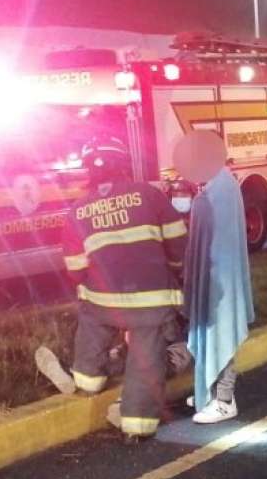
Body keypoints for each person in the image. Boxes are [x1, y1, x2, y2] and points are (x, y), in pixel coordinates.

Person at [60, 136, 187, 443]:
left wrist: (88, 284)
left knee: (91, 322)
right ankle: (137, 424)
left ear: (89, 170)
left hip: (103, 302)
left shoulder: (78, 210)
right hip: (151, 300)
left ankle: (87, 378)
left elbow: (75, 266)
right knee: (147, 353)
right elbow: (177, 242)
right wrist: (174, 270)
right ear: (123, 164)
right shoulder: (149, 195)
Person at [173, 130, 254, 424]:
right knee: (208, 332)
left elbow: (219, 240)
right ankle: (207, 392)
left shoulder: (221, 186)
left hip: (220, 278)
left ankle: (224, 400)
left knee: (220, 333)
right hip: (213, 274)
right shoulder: (213, 183)